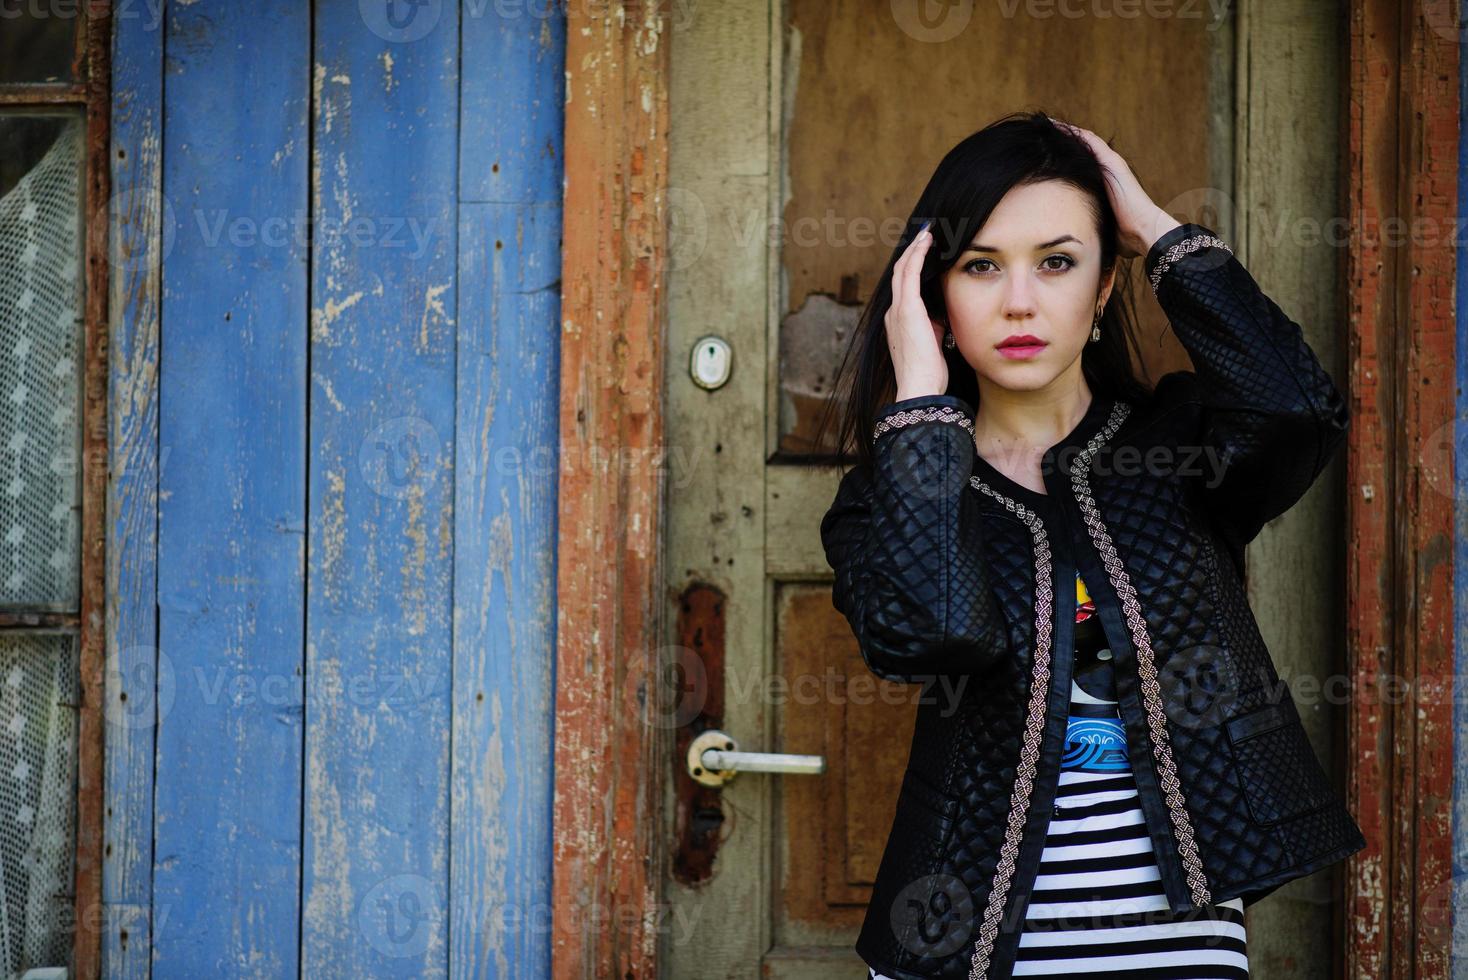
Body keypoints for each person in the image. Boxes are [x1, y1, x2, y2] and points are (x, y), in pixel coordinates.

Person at [817, 111, 1366, 979]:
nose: (1020, 301)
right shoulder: (893, 492)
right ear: (936, 298)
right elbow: (937, 633)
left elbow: (1298, 414)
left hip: (1177, 938)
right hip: (961, 945)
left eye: (1058, 261)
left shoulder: (1181, 444)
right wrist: (920, 404)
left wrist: (1158, 232)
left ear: (1107, 286)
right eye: (981, 266)